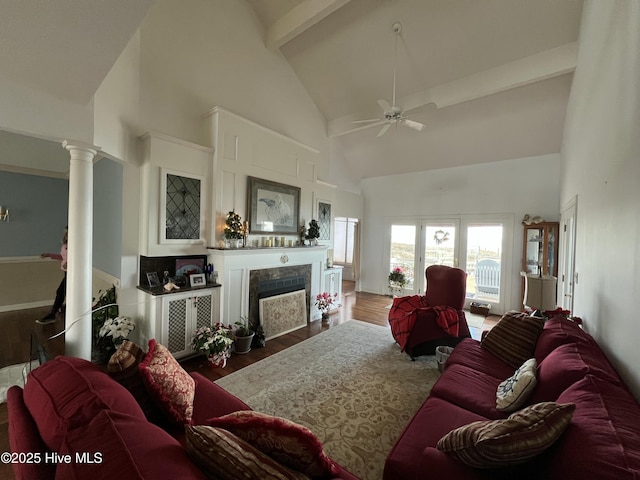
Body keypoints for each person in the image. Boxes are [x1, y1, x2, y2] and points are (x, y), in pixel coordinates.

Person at [37, 227, 68, 325]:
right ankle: (54, 313)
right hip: (66, 272)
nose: (66, 235)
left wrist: (70, 264)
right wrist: (49, 255)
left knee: (60, 292)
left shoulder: (76, 245)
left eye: (68, 233)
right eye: (66, 233)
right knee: (62, 292)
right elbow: (63, 257)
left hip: (73, 273)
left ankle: (52, 314)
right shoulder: (65, 245)